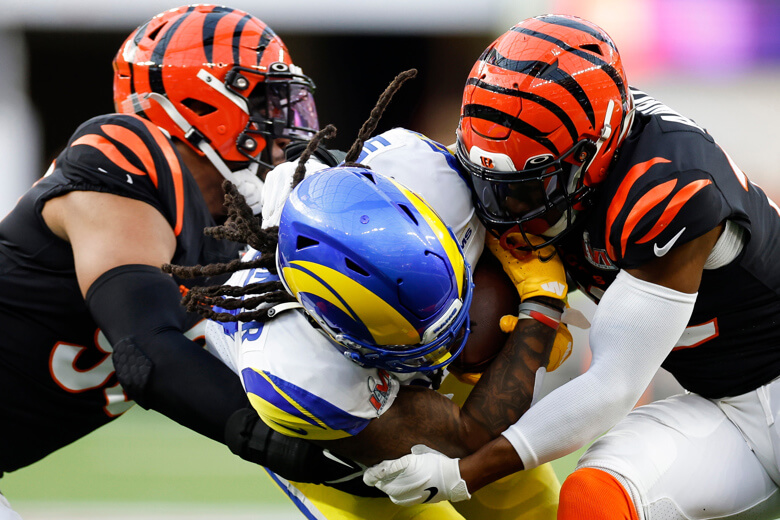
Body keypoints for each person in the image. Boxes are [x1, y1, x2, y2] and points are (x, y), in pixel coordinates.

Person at [363, 13, 780, 520]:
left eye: (526, 188)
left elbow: (611, 385)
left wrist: (461, 475)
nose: (502, 209)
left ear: (594, 155)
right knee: (594, 500)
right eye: (488, 182)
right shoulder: (548, 139)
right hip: (718, 403)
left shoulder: (667, 188)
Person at [0, 5, 357, 519]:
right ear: (201, 101)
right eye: (266, 100)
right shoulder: (122, 154)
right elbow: (147, 353)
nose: (287, 124)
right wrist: (307, 457)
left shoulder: (238, 229)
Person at [173, 112, 567, 518]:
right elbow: (464, 440)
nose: (445, 341)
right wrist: (542, 306)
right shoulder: (299, 374)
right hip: (349, 451)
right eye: (403, 335)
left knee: (543, 512)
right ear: (335, 331)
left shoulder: (427, 173)